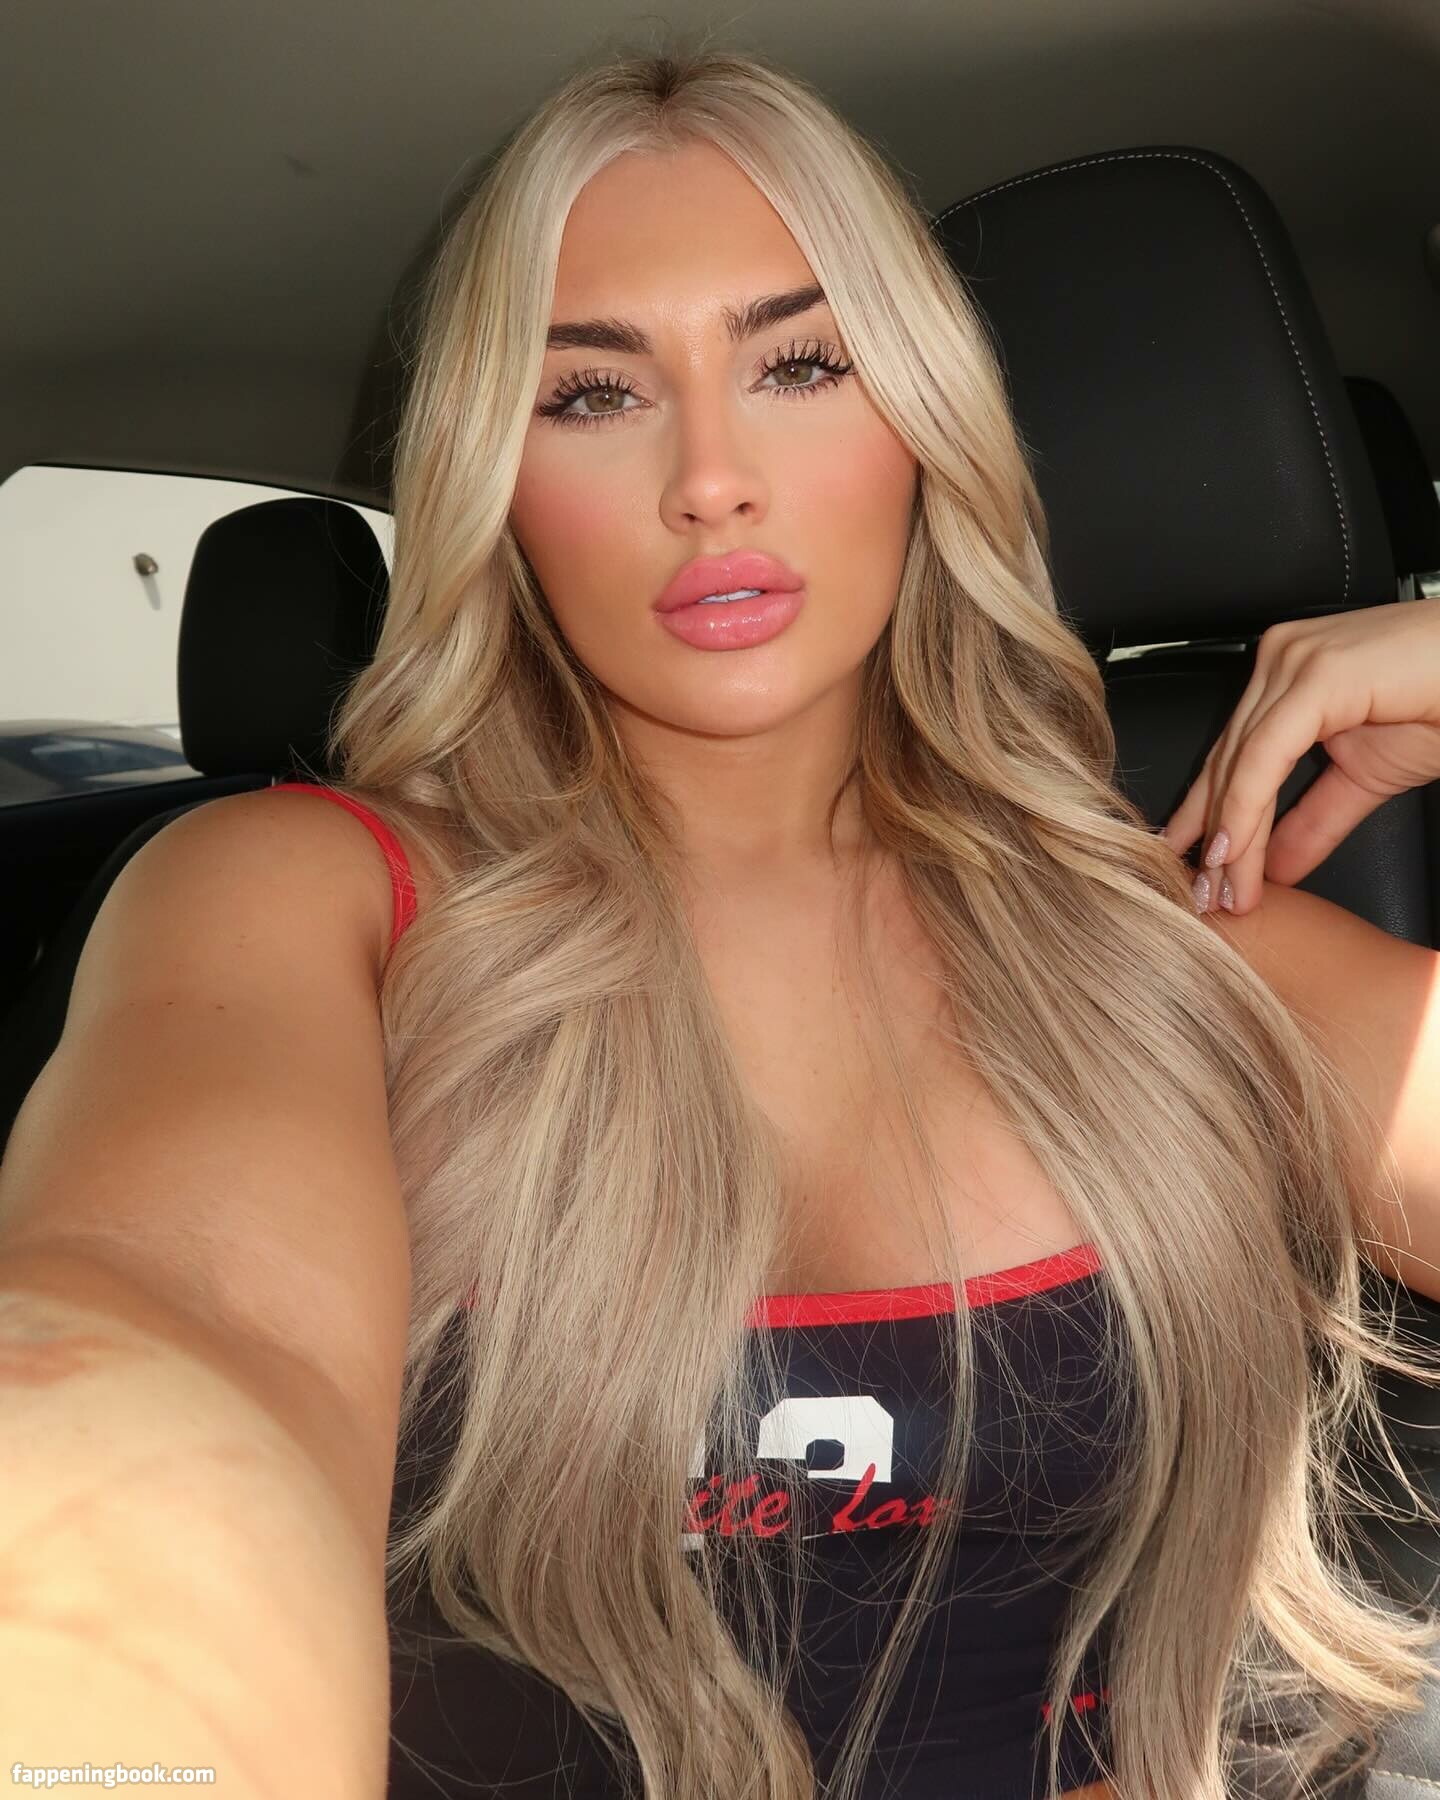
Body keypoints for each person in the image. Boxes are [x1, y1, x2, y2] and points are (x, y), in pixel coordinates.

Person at [4, 36, 1440, 1800]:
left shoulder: (1168, 943)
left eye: (802, 365)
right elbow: (171, 1342)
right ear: (491, 484)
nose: (710, 478)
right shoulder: (307, 905)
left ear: (923, 428)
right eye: (593, 394)